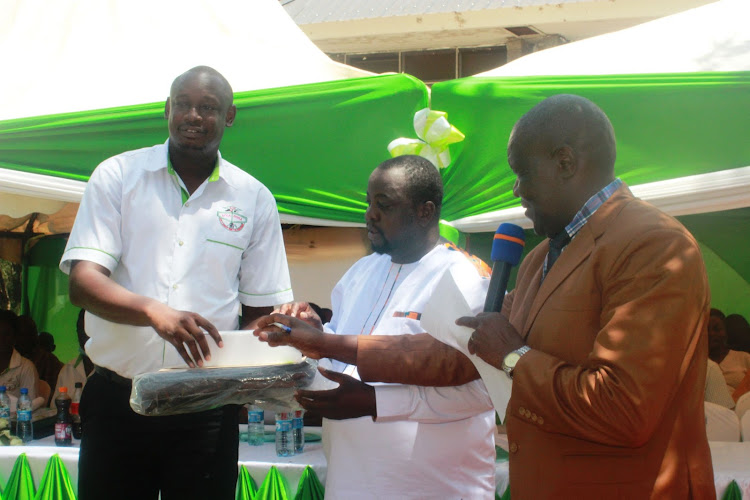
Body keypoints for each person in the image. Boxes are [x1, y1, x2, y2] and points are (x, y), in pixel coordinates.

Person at [455, 95, 714, 498]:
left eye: (521, 173)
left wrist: (513, 356)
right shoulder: (539, 256)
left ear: (565, 163)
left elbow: (620, 408)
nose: (515, 189)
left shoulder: (652, 243)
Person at [60, 66, 293, 500]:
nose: (193, 116)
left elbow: (263, 310)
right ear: (167, 110)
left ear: (229, 116)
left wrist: (243, 376)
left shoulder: (253, 197)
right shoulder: (118, 176)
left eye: (208, 107)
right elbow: (83, 283)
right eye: (183, 104)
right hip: (118, 401)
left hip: (205, 409)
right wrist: (154, 312)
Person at [256, 155, 496, 499]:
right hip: (350, 482)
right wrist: (314, 334)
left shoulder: (462, 278)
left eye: (384, 205)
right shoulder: (361, 272)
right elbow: (339, 359)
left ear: (425, 211)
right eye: (369, 203)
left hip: (432, 487)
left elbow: (481, 393)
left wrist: (376, 402)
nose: (370, 214)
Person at [50, 309, 94, 406]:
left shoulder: (111, 371)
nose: (83, 334)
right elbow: (55, 410)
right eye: (80, 329)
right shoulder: (67, 370)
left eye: (87, 329)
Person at [0, 310, 40, 401]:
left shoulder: (26, 367)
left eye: (6, 334)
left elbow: (30, 406)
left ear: (15, 336)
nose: (1, 339)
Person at [709, 309, 750, 395]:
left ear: (726, 331)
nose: (711, 333)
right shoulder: (696, 365)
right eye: (707, 330)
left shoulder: (744, 358)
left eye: (717, 329)